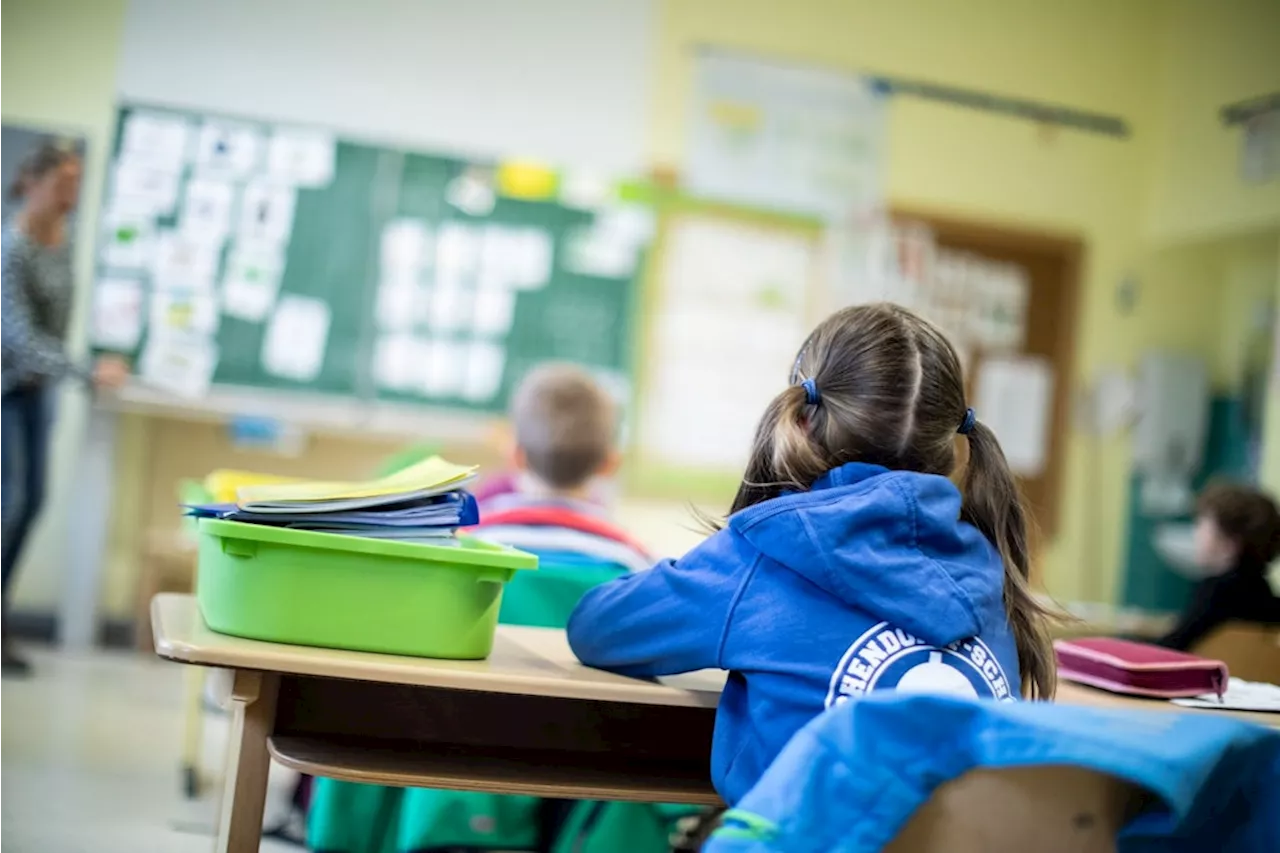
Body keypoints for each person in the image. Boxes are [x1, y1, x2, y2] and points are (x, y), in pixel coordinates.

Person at [567, 302, 1058, 807]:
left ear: (802, 419)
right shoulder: (989, 569)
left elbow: (597, 627)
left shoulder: (764, 554)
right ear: (952, 444)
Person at [306, 364, 672, 853]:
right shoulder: (638, 573)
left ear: (514, 452)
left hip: (445, 786)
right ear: (611, 462)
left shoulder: (458, 554)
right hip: (574, 799)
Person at [0, 139, 128, 676]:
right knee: (10, 504)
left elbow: (57, 325)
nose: (71, 194)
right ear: (33, 183)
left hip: (38, 392)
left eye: (77, 183)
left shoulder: (63, 240)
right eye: (63, 183)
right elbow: (20, 336)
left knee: (31, 505)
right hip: (6, 389)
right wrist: (85, 370)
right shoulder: (12, 248)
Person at [1157, 482, 1280, 651]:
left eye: (1202, 525)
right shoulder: (1268, 599)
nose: (1196, 533)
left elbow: (1171, 649)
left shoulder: (1214, 593)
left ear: (1230, 543)